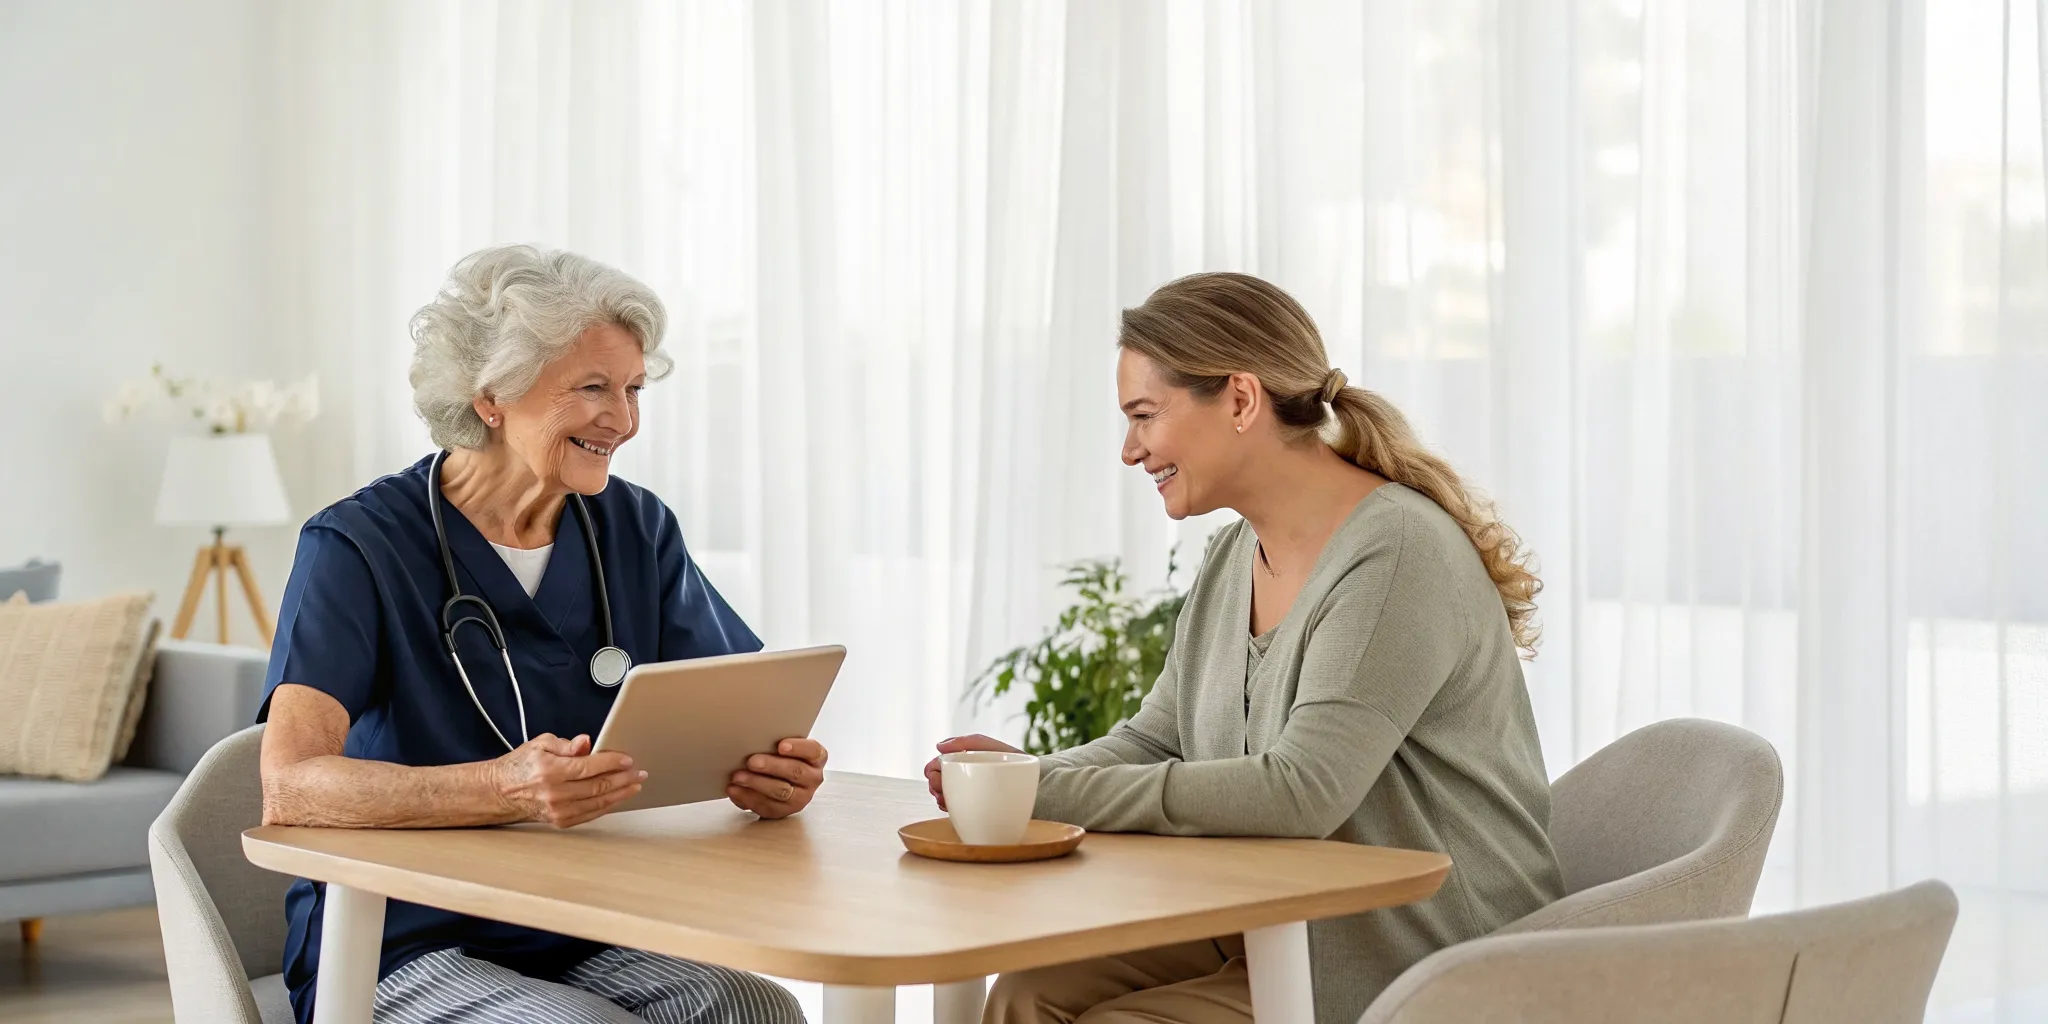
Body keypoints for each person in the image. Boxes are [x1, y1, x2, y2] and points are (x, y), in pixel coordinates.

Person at [926, 272, 1564, 1024]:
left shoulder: (1394, 552)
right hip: (1282, 918)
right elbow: (1156, 737)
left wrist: (1043, 795)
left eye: (1144, 415)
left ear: (1239, 400)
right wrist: (1019, 777)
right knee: (1027, 992)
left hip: (1422, 956)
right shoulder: (1236, 554)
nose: (1131, 451)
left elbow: (1303, 790)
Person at [259, 245, 814, 1024]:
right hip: (401, 940)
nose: (622, 420)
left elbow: (733, 710)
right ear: (492, 396)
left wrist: (770, 770)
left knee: (755, 1010)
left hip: (582, 922)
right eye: (592, 387)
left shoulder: (635, 527)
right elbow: (290, 784)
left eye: (631, 389)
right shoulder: (358, 546)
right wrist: (501, 786)